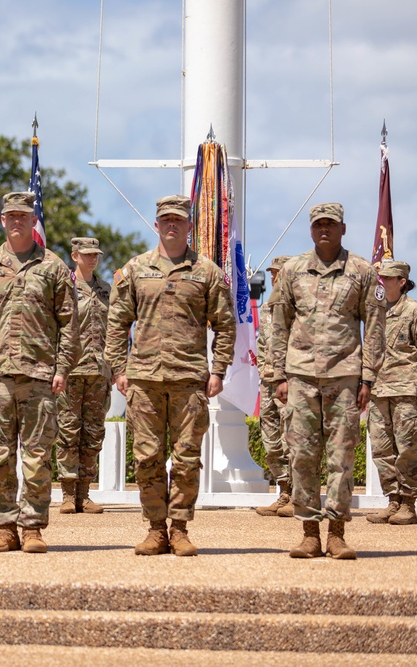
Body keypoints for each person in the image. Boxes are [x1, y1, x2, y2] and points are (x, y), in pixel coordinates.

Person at [105, 194, 236, 557]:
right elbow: (117, 324)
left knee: (186, 458)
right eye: (166, 220)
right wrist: (119, 368)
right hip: (143, 379)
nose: (172, 225)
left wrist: (219, 369)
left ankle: (179, 528)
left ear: (189, 226)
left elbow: (225, 325)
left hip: (189, 378)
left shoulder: (207, 272)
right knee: (146, 458)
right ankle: (155, 529)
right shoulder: (134, 270)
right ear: (156, 224)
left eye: (179, 220)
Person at [0, 191, 80, 554]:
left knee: (37, 458)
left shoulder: (54, 267)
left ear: (33, 221)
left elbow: (68, 325)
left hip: (40, 377)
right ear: (2, 221)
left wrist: (62, 368)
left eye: (23, 217)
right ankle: (4, 526)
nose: (17, 222)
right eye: (10, 216)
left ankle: (32, 527)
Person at [271, 202, 385, 560]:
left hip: (345, 377)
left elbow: (375, 326)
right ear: (310, 229)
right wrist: (278, 375)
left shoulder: (362, 271)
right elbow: (279, 325)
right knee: (303, 456)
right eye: (319, 224)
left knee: (341, 457)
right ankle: (309, 533)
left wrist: (368, 377)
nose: (325, 229)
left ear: (343, 229)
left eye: (331, 224)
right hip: (301, 376)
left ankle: (336, 532)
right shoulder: (292, 271)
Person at [56, 237, 111, 514]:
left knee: (92, 434)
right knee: (68, 432)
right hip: (71, 371)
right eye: (87, 254)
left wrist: (114, 367)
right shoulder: (64, 288)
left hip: (99, 371)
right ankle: (67, 493)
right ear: (75, 255)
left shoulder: (105, 291)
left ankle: (84, 494)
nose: (93, 259)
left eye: (96, 254)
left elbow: (115, 332)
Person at [365, 260, 417, 526]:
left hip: (407, 389)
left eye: (387, 278)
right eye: (380, 278)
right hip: (378, 390)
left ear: (401, 281)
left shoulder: (414, 311)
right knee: (381, 448)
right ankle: (393, 500)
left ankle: (409, 503)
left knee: (408, 447)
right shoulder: (374, 312)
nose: (381, 282)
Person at [255, 255, 295, 518]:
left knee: (292, 440)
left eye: (278, 273)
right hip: (267, 383)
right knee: (271, 443)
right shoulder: (267, 308)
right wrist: (262, 371)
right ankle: (283, 491)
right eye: (271, 273)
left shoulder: (298, 308)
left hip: (291, 384)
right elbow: (261, 345)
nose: (273, 277)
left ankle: (297, 495)